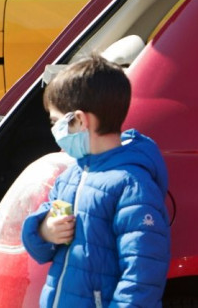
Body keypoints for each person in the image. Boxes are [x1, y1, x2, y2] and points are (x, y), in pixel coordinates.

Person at [22, 54, 171, 307]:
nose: (54, 132)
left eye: (57, 122)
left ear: (80, 120)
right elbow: (41, 245)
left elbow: (142, 276)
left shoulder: (131, 185)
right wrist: (44, 231)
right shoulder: (71, 176)